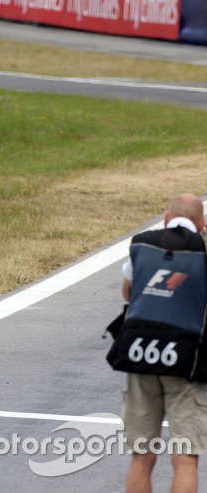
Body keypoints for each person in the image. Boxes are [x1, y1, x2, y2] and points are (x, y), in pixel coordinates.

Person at [107, 193, 207, 493]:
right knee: (185, 459)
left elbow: (129, 292)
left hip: (139, 354)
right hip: (187, 361)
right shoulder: (203, 252)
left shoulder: (141, 244)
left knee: (142, 455)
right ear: (202, 225)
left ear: (166, 219)